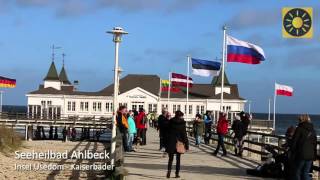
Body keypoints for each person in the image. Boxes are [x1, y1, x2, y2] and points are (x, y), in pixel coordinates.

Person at [289, 114, 317, 180]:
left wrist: (292, 151)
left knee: (297, 172)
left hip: (301, 154)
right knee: (306, 173)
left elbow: (294, 142)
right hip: (310, 155)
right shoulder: (312, 130)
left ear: (301, 120)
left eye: (299, 120)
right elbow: (314, 143)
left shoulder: (299, 129)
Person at [166, 110, 189, 178]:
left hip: (171, 141)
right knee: (178, 159)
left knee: (170, 159)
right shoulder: (182, 123)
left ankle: (169, 172)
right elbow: (184, 135)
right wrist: (187, 144)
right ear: (181, 115)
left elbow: (167, 132)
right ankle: (177, 173)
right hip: (179, 142)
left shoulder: (171, 121)